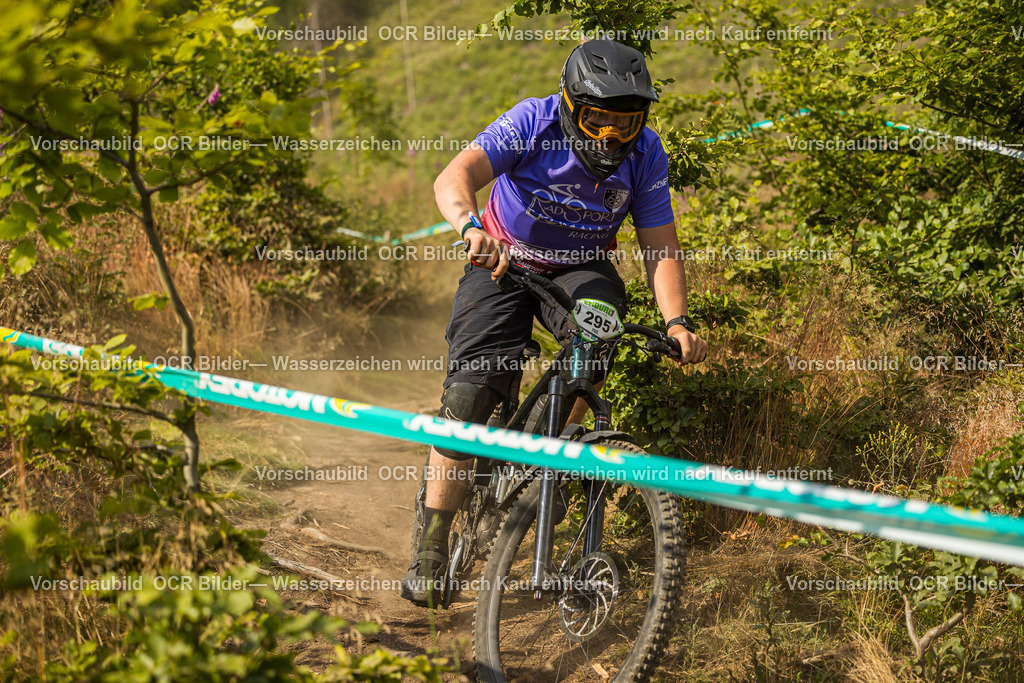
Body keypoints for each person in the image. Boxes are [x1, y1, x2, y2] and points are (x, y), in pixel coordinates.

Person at [400, 39, 708, 605]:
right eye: (599, 121)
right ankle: (433, 542)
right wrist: (472, 229)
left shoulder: (647, 154)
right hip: (500, 259)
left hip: (579, 268)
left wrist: (677, 321)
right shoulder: (533, 121)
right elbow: (454, 176)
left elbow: (660, 244)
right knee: (467, 400)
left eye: (627, 122)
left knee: (600, 331)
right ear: (571, 107)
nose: (613, 136)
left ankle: (539, 457)